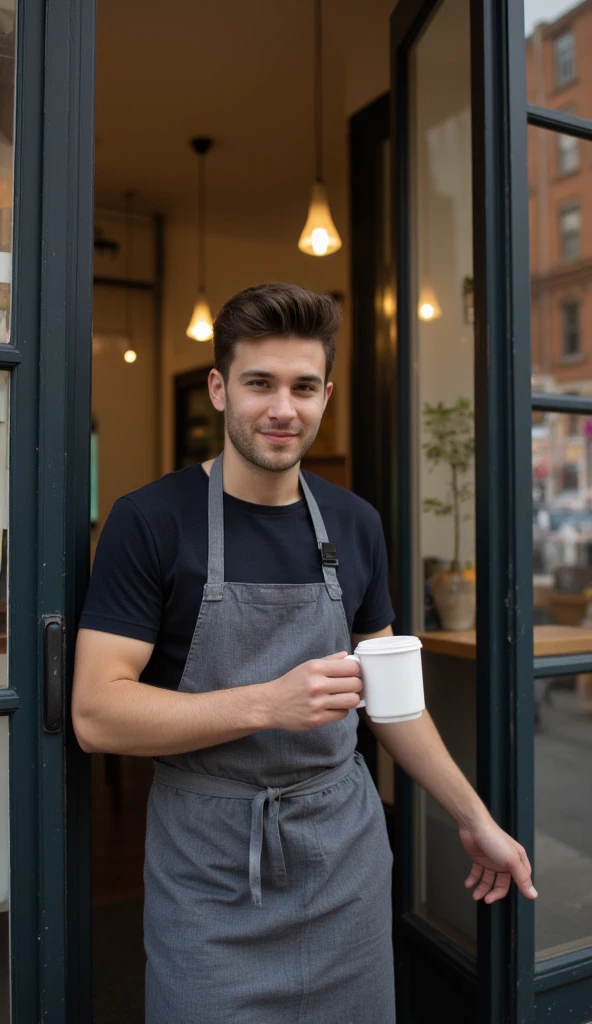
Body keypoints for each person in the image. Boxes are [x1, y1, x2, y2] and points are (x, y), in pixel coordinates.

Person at [72, 283, 537, 1024]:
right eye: (260, 383)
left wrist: (475, 817)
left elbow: (394, 704)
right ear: (221, 389)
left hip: (343, 867)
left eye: (303, 386)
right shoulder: (151, 521)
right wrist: (268, 703)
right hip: (211, 877)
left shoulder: (354, 523)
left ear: (327, 395)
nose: (282, 408)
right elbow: (98, 712)